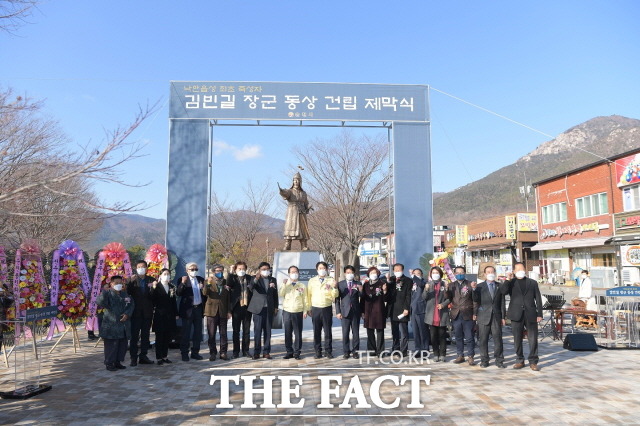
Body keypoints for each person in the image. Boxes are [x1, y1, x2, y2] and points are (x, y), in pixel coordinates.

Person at [502, 262, 543, 371]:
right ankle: (519, 360)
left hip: (530, 313)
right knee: (517, 338)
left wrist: (540, 313)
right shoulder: (511, 282)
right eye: (518, 269)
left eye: (522, 269)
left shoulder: (532, 283)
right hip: (516, 313)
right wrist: (507, 279)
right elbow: (503, 291)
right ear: (514, 271)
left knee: (533, 338)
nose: (521, 271)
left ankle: (533, 361)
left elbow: (538, 298)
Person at [96, 276, 134, 371]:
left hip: (123, 324)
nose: (119, 285)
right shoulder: (107, 294)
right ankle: (109, 363)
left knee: (122, 344)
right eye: (116, 283)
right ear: (111, 284)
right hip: (111, 325)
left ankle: (118, 362)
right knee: (111, 345)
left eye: (120, 283)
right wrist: (104, 292)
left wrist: (127, 314)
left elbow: (131, 305)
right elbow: (99, 301)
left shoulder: (125, 294)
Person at [473, 266, 506, 368]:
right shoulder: (479, 286)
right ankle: (484, 360)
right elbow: (475, 300)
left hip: (496, 316)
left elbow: (502, 302)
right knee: (483, 339)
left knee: (498, 339)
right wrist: (474, 290)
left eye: (492, 271)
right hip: (483, 316)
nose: (490, 273)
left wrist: (503, 317)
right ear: (484, 274)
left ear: (495, 273)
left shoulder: (499, 286)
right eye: (488, 272)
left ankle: (499, 360)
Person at [125, 260, 156, 366]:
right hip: (135, 313)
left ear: (147, 268)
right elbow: (126, 293)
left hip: (147, 312)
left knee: (145, 335)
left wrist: (154, 287)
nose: (141, 269)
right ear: (136, 268)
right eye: (139, 267)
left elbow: (154, 297)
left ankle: (143, 355)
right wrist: (129, 282)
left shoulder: (151, 280)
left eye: (143, 267)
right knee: (134, 336)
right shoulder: (132, 280)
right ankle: (133, 357)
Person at [306, 261, 338, 359]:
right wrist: (308, 308)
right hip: (315, 308)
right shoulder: (312, 281)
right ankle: (317, 352)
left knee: (328, 331)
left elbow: (335, 295)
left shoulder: (331, 280)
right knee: (316, 331)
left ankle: (328, 351)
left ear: (327, 269)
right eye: (320, 268)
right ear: (317, 270)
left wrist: (335, 288)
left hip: (326, 308)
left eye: (324, 268)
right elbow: (308, 295)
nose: (322, 270)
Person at [247, 262, 278, 359]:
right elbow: (250, 288)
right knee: (257, 331)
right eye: (263, 269)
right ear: (259, 270)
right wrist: (256, 278)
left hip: (269, 309)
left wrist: (275, 307)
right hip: (258, 309)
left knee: (268, 331)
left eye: (267, 269)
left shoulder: (273, 279)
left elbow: (275, 294)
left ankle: (266, 352)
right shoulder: (254, 278)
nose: (266, 271)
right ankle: (256, 352)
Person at [176, 262, 206, 362]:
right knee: (186, 332)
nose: (194, 271)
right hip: (188, 310)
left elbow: (205, 294)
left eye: (195, 269)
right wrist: (183, 283)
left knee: (197, 332)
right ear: (187, 270)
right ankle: (184, 353)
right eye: (192, 269)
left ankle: (195, 352)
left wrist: (204, 288)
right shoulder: (182, 279)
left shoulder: (201, 279)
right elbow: (179, 293)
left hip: (198, 308)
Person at [448, 266, 476, 366]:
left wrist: (475, 313)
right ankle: (460, 355)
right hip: (456, 314)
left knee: (469, 337)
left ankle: (471, 356)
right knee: (458, 337)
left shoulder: (470, 284)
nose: (460, 274)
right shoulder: (451, 285)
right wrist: (446, 290)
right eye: (458, 272)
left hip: (468, 313)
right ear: (454, 274)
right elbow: (449, 298)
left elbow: (475, 300)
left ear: (464, 273)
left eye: (462, 272)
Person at [279, 265, 308, 360]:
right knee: (288, 333)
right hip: (287, 311)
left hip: (298, 312)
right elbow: (280, 294)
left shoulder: (302, 286)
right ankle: (289, 352)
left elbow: (305, 299)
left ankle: (297, 352)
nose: (294, 274)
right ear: (289, 274)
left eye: (296, 272)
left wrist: (305, 311)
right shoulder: (286, 284)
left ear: (298, 273)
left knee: (298, 333)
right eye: (292, 272)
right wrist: (284, 284)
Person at [202, 265, 231, 361]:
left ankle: (223, 352)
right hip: (211, 311)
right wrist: (209, 283)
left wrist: (229, 311)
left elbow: (228, 299)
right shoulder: (208, 281)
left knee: (223, 334)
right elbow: (205, 293)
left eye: (221, 271)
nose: (220, 272)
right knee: (211, 333)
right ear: (214, 272)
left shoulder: (226, 283)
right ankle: (212, 353)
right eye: (218, 271)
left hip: (223, 311)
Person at [423, 266, 451, 362]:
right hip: (431, 313)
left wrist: (443, 305)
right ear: (431, 274)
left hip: (442, 313)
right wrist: (426, 290)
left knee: (442, 335)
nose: (435, 274)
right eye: (433, 272)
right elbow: (424, 298)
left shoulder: (445, 284)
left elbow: (449, 298)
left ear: (440, 274)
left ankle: (443, 354)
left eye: (437, 272)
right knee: (433, 336)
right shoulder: (428, 284)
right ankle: (436, 353)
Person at [150, 268, 178, 365]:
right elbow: (152, 299)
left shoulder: (171, 287)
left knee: (167, 337)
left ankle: (165, 356)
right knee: (160, 337)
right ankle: (159, 357)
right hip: (159, 315)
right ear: (160, 275)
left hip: (169, 315)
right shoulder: (156, 286)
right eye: (164, 274)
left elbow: (173, 301)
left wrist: (176, 313)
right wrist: (153, 288)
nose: (166, 276)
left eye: (168, 274)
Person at [335, 265, 363, 359]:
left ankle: (355, 351)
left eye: (351, 272)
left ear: (354, 273)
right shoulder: (340, 284)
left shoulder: (358, 283)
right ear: (344, 273)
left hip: (355, 311)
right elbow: (337, 299)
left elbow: (362, 297)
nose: (349, 274)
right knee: (345, 332)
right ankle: (346, 351)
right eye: (348, 273)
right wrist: (338, 312)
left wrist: (361, 290)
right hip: (344, 311)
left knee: (355, 332)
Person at [279, 172, 312, 251]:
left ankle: (304, 245)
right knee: (290, 227)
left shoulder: (303, 193)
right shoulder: (290, 191)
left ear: (300, 181)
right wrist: (282, 191)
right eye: (294, 180)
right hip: (292, 212)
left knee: (303, 229)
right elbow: (285, 193)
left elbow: (306, 203)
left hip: (302, 213)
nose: (296, 182)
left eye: (298, 180)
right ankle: (288, 244)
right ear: (293, 181)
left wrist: (308, 207)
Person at [227, 261, 252, 358]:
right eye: (239, 269)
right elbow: (228, 284)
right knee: (236, 331)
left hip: (247, 307)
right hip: (236, 308)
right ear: (236, 269)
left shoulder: (249, 278)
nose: (241, 271)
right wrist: (230, 272)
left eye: (243, 269)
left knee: (246, 331)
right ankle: (235, 351)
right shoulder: (233, 278)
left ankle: (246, 350)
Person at [362, 266, 389, 357]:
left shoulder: (382, 283)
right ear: (368, 274)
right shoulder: (365, 284)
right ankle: (372, 350)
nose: (373, 274)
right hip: (368, 311)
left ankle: (380, 351)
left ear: (378, 273)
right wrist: (362, 312)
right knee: (369, 331)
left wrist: (385, 291)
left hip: (379, 311)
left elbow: (386, 299)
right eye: (371, 273)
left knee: (380, 332)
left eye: (375, 272)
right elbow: (362, 299)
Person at [388, 263, 412, 357]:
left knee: (403, 332)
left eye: (399, 270)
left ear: (402, 270)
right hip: (393, 308)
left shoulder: (408, 281)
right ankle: (395, 349)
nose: (397, 272)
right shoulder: (391, 280)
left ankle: (403, 350)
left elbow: (408, 295)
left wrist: (406, 308)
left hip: (403, 309)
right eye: (396, 270)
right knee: (395, 332)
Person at [410, 268, 430, 358]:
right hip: (413, 310)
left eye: (418, 273)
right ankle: (417, 349)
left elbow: (421, 284)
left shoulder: (424, 282)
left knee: (423, 331)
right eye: (414, 273)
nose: (416, 275)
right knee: (416, 331)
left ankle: (425, 350)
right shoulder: (412, 283)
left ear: (421, 274)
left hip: (421, 310)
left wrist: (414, 277)